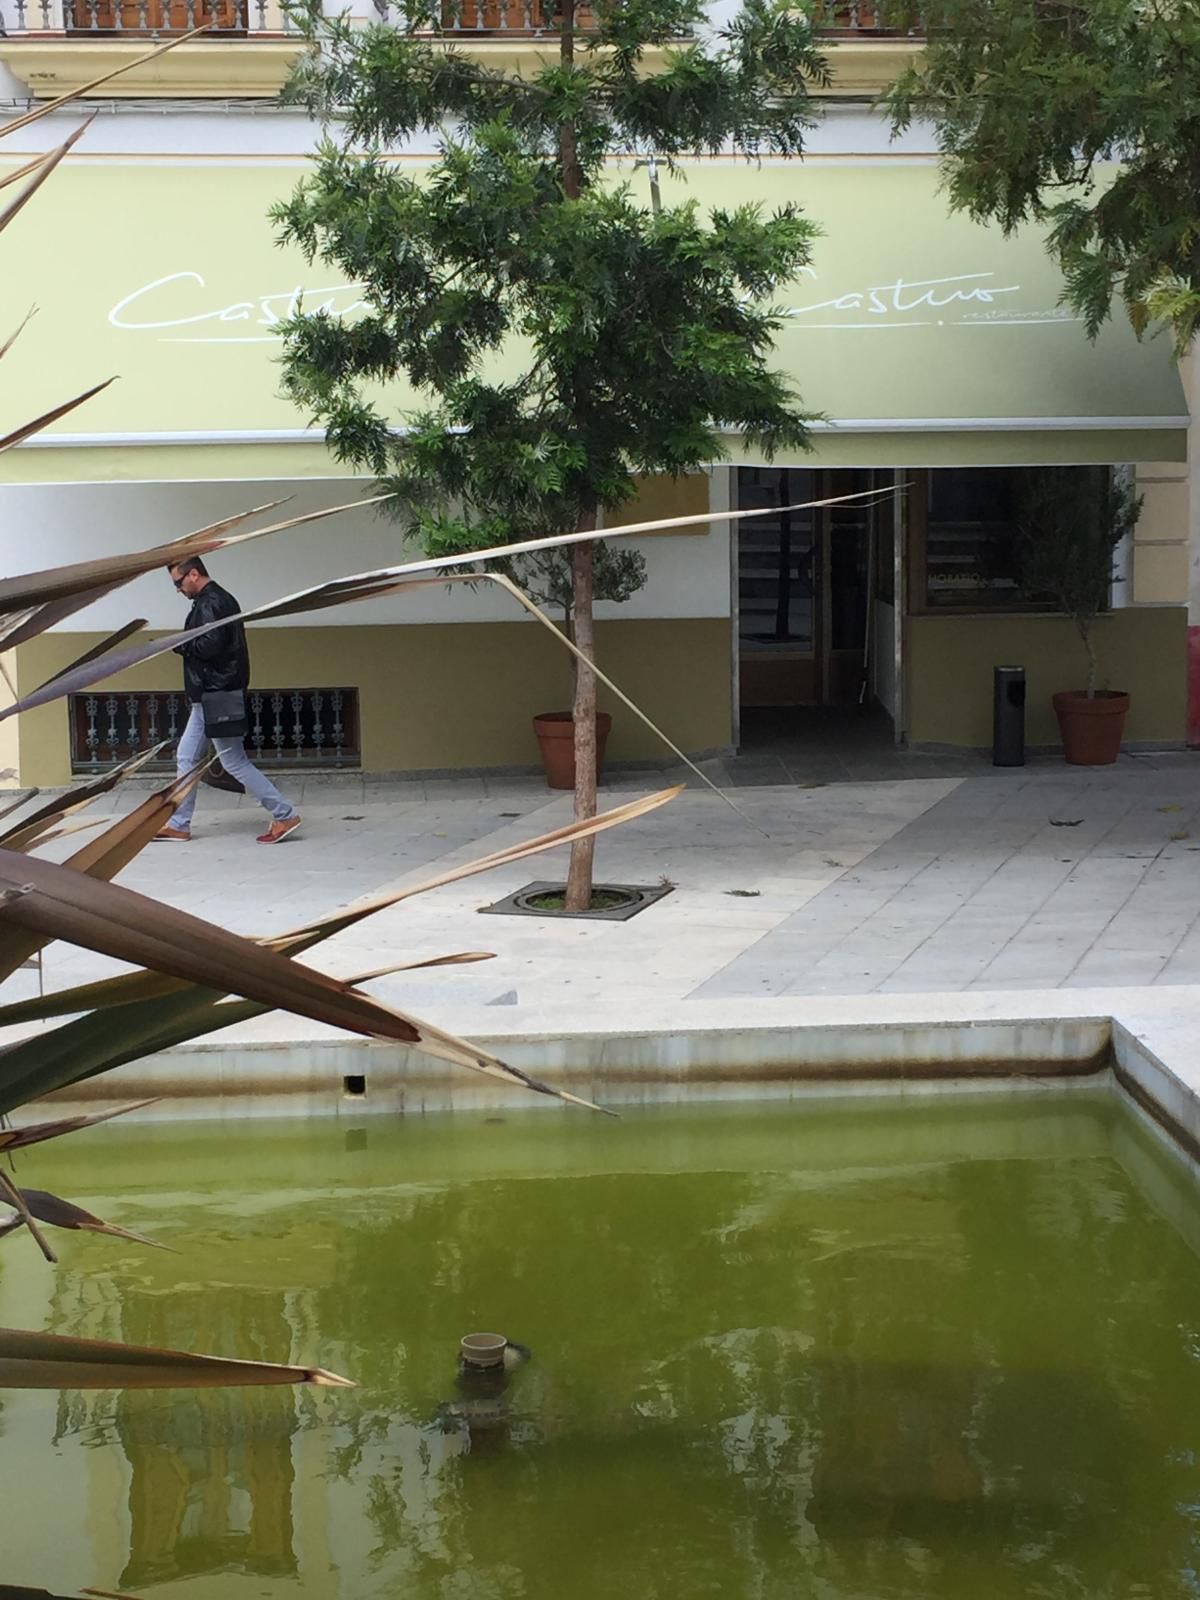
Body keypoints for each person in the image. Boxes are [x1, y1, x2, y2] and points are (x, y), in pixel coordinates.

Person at [155, 557, 302, 844]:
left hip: (216, 693)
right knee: (186, 756)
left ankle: (284, 814)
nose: (178, 589)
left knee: (233, 761)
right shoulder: (216, 600)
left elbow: (210, 645)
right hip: (212, 693)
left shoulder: (212, 602)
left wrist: (178, 643)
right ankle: (179, 824)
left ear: (194, 574)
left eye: (178, 582)